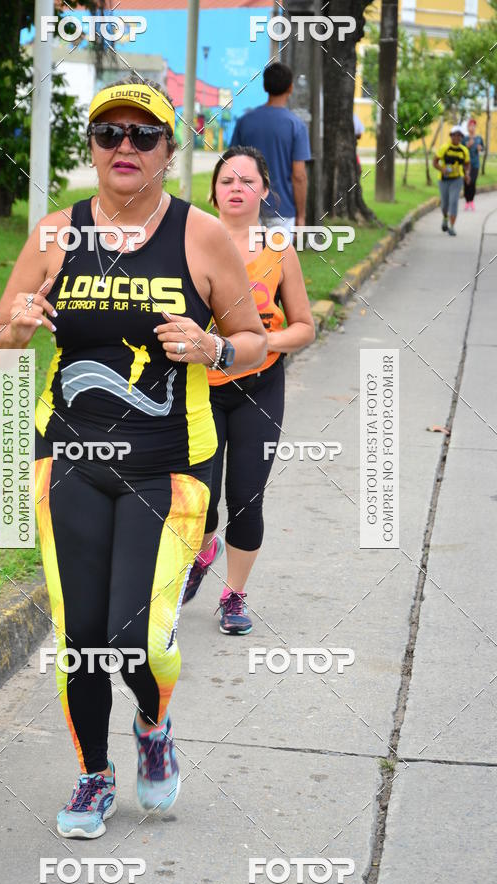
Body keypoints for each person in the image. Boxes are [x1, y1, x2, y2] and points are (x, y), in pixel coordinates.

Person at [0, 77, 267, 838]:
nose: (126, 147)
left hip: (167, 466)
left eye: (145, 135)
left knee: (135, 636)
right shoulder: (55, 234)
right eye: (111, 134)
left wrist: (212, 346)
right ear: (94, 148)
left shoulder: (201, 235)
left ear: (169, 152)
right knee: (80, 639)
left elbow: (257, 343)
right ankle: (93, 777)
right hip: (68, 460)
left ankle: (152, 725)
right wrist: (13, 329)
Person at [182, 146, 316, 634]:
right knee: (199, 495)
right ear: (213, 192)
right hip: (201, 387)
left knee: (246, 496)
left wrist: (259, 344)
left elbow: (305, 326)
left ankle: (234, 595)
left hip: (260, 386)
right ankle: (203, 549)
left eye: (247, 180)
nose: (236, 188)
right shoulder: (190, 246)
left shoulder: (279, 249)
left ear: (263, 189)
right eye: (226, 181)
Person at [230, 63, 311, 229]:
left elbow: (231, 166)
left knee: (247, 255)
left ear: (265, 86)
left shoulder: (245, 122)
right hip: (283, 212)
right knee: (279, 256)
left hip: (247, 208)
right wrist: (301, 216)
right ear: (290, 88)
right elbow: (299, 176)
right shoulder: (296, 126)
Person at [433, 125, 470, 237]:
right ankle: (445, 218)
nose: (457, 137)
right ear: (451, 135)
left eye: (459, 135)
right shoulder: (445, 148)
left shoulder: (464, 150)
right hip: (444, 179)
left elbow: (467, 164)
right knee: (445, 204)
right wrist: (442, 169)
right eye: (455, 135)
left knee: (454, 202)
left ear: (461, 137)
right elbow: (435, 162)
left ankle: (452, 227)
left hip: (457, 179)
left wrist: (467, 174)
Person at [464, 118, 484, 211]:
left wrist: (480, 148)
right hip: (466, 164)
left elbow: (483, 148)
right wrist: (468, 145)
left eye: (474, 126)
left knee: (472, 182)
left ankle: (471, 200)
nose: (472, 127)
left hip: (475, 164)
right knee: (466, 182)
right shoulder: (465, 138)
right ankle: (467, 201)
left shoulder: (479, 138)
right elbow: (462, 149)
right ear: (468, 127)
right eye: (470, 126)